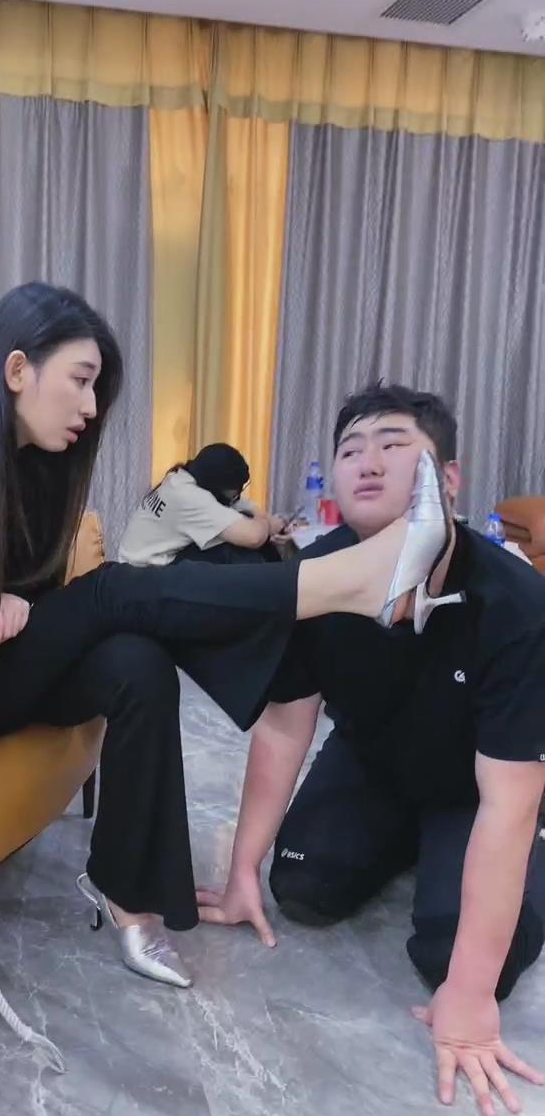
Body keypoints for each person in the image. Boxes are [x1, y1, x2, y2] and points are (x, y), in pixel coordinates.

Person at [0, 292, 445, 993]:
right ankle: (340, 585)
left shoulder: (33, 466)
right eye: (81, 381)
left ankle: (128, 897)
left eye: (98, 389)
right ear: (18, 369)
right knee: (115, 590)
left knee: (139, 662)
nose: (92, 407)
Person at [196, 384, 545, 1116]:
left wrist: (470, 998)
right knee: (302, 889)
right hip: (375, 762)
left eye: (393, 445)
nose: (369, 462)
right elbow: (286, 726)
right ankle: (408, 841)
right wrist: (241, 873)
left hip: (479, 791)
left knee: (455, 960)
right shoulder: (317, 579)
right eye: (351, 450)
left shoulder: (515, 603)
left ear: (449, 478)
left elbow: (508, 802)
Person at [118, 442, 286, 567]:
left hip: (135, 567)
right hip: (143, 578)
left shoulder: (180, 479)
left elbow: (239, 505)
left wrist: (262, 517)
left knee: (237, 531)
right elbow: (254, 537)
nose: (237, 494)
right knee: (237, 554)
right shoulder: (191, 498)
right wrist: (267, 523)